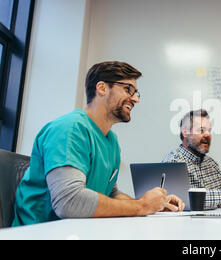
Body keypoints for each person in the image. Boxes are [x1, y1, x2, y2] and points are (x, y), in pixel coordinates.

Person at [13, 61, 184, 226]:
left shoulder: (111, 140)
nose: (135, 99)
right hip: (40, 232)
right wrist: (141, 207)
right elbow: (68, 202)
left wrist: (153, 205)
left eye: (136, 93)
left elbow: (111, 193)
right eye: (128, 89)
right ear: (102, 88)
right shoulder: (70, 129)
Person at [162, 109, 221, 210]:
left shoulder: (211, 164)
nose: (208, 135)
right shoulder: (173, 162)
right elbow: (183, 202)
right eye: (202, 130)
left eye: (209, 130)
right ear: (185, 132)